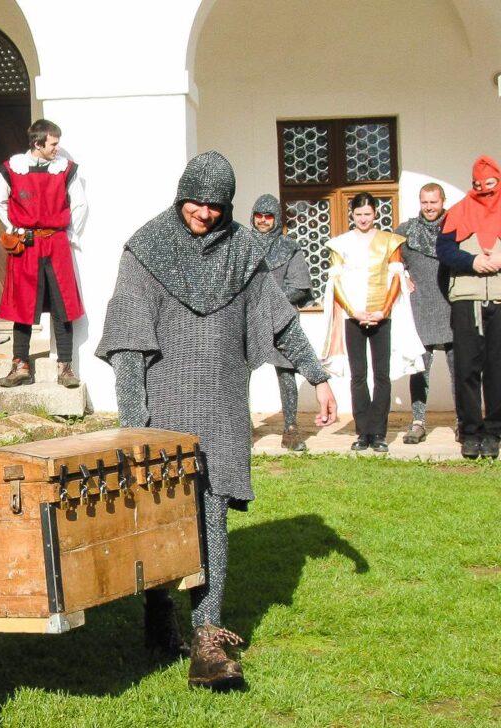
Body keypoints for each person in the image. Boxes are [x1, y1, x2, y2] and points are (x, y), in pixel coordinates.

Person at [96, 151, 337, 691]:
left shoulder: (243, 250)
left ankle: (206, 636)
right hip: (164, 405)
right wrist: (135, 423)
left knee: (212, 515)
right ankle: (160, 612)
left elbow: (278, 321)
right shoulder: (147, 248)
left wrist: (317, 374)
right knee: (161, 517)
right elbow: (129, 343)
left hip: (222, 407)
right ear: (181, 194)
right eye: (196, 202)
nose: (204, 213)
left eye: (215, 205)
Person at [0, 119, 87, 388]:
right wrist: (13, 226)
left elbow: (79, 204)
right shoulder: (12, 170)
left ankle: (65, 367)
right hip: (26, 244)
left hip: (56, 243)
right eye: (53, 143)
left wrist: (71, 235)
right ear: (38, 144)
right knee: (22, 306)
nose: (58, 148)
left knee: (62, 306)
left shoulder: (64, 170)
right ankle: (20, 365)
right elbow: (0, 200)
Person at [322, 193, 409, 453]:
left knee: (381, 375)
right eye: (358, 214)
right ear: (352, 215)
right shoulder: (341, 244)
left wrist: (384, 310)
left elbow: (396, 278)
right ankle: (363, 431)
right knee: (358, 375)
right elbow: (335, 283)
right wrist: (354, 311)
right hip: (354, 316)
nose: (363, 218)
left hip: (382, 316)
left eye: (367, 214)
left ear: (375, 214)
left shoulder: (389, 241)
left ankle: (378, 432)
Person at [436, 155, 501, 459]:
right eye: (479, 185)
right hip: (466, 298)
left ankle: (494, 432)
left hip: (499, 298)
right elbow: (445, 249)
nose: (484, 189)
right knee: (466, 368)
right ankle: (471, 431)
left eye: (490, 184)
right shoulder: (460, 211)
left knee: (497, 368)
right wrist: (473, 261)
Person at [251, 194, 313, 451]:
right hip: (248, 318)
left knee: (286, 373)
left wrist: (270, 300)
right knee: (239, 372)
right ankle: (242, 428)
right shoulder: (241, 244)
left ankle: (290, 429)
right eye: (259, 216)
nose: (264, 221)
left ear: (277, 219)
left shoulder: (289, 247)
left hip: (281, 318)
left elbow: (299, 286)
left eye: (269, 216)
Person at [396, 182, 455, 444]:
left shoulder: (456, 229)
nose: (429, 207)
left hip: (454, 307)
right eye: (425, 202)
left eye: (433, 202)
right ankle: (418, 422)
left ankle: (463, 421)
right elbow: (391, 261)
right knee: (420, 370)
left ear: (442, 201)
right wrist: (403, 277)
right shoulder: (406, 231)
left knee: (460, 369)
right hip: (420, 308)